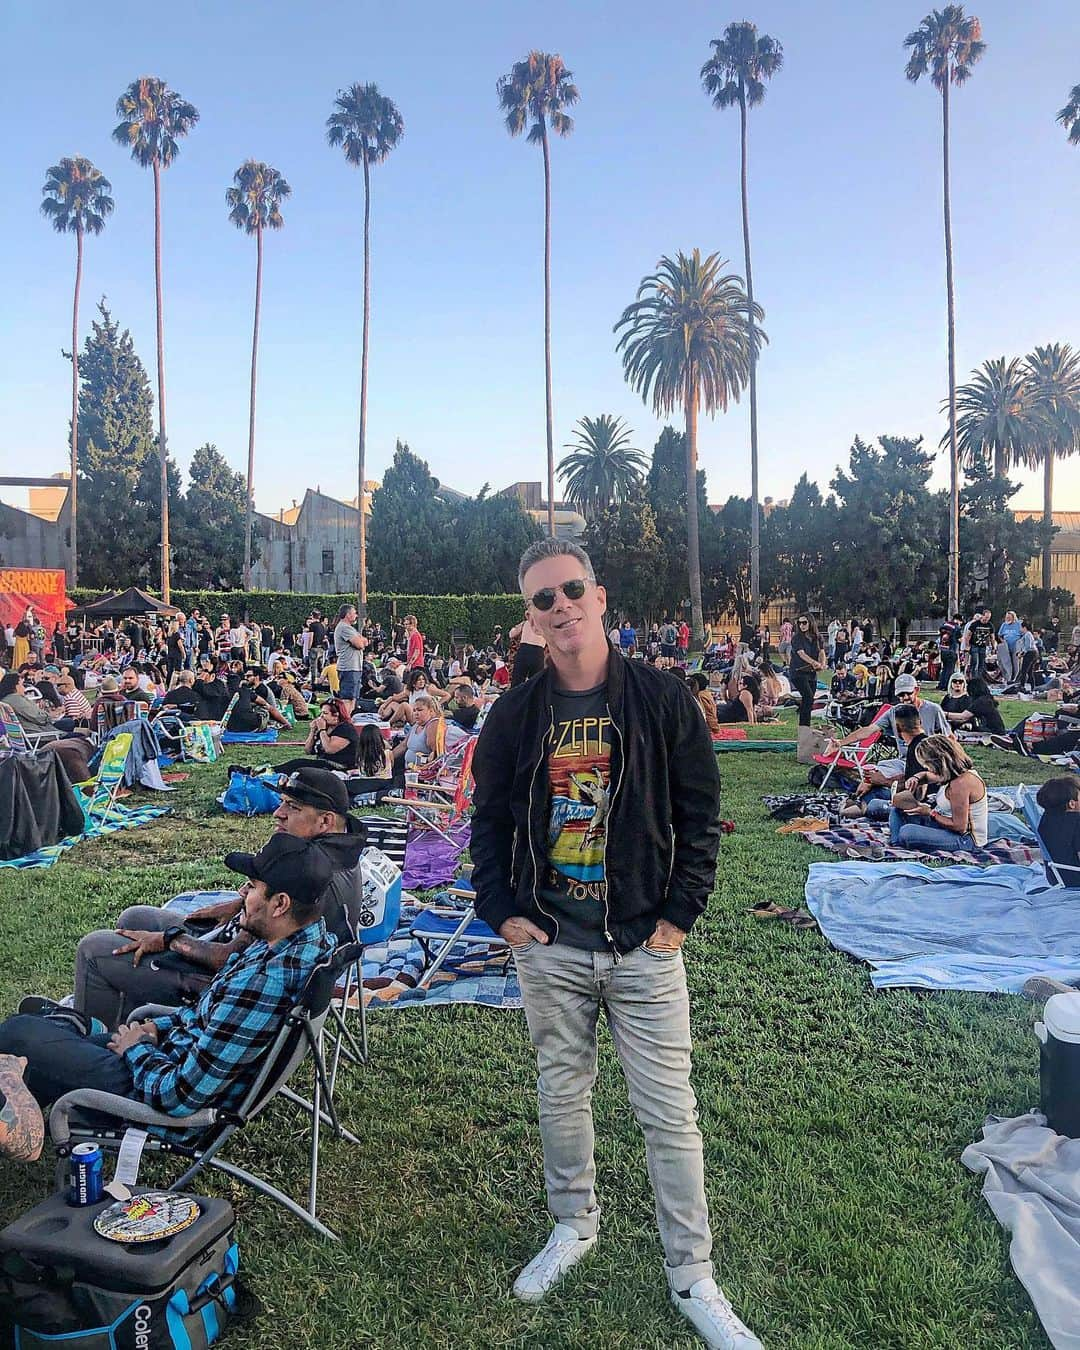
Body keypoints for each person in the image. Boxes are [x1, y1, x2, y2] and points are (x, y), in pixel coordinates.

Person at [470, 539, 746, 1350]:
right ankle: (573, 1225)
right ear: (532, 615)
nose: (561, 608)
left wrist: (679, 917)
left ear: (600, 595)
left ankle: (693, 1275)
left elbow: (700, 817)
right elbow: (486, 819)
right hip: (548, 941)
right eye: (543, 599)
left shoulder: (660, 700)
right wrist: (500, 909)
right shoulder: (517, 712)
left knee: (670, 1115)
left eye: (572, 590)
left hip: (642, 943)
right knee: (563, 1093)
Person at [0, 833, 338, 1152]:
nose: (242, 894)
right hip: (165, 1054)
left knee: (19, 1033)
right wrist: (155, 1028)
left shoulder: (266, 982)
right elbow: (210, 1013)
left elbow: (179, 1098)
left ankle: (60, 1041)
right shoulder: (302, 942)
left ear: (280, 904)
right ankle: (28, 1095)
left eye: (251, 888)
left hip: (155, 1098)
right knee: (35, 1049)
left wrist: (136, 1049)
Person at [69, 769, 367, 1027]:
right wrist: (236, 906)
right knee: (135, 918)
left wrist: (169, 940)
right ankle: (126, 1018)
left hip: (231, 987)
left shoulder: (312, 875)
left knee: (94, 950)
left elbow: (228, 959)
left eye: (292, 806)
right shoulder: (339, 853)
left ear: (325, 821)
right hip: (251, 959)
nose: (278, 813)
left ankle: (92, 1039)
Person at [888, 735, 988, 852]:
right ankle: (897, 845)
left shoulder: (960, 784)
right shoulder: (950, 772)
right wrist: (916, 778)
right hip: (943, 825)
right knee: (897, 810)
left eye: (926, 764)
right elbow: (925, 775)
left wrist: (930, 813)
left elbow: (960, 827)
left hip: (966, 840)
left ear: (937, 762)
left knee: (907, 831)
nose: (926, 767)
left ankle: (899, 843)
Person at [841, 703, 926, 821]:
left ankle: (862, 808)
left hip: (922, 806)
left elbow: (917, 794)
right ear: (920, 721)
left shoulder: (918, 750)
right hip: (923, 799)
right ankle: (860, 804)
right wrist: (873, 782)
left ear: (897, 727)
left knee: (875, 804)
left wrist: (884, 781)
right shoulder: (922, 743)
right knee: (875, 791)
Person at [831, 673, 950, 749]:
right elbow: (868, 730)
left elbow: (949, 737)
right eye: (901, 695)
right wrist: (840, 742)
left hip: (928, 760)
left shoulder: (933, 709)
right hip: (904, 761)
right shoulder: (893, 712)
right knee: (871, 777)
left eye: (908, 693)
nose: (905, 698)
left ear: (917, 690)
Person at [277, 698, 361, 773]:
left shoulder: (345, 729)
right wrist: (313, 731)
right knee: (297, 764)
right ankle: (271, 771)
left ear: (336, 715)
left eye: (325, 713)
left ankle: (273, 772)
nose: (321, 717)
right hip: (322, 763)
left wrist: (322, 730)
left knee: (299, 765)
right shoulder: (326, 728)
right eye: (321, 713)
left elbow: (329, 749)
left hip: (339, 767)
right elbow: (308, 751)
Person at [1034, 776, 1080, 888]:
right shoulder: (1077, 822)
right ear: (1072, 804)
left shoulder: (1046, 818)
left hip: (1055, 876)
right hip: (1075, 878)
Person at [790, 614, 825, 728]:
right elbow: (801, 653)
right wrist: (814, 663)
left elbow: (821, 652)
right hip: (798, 672)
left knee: (809, 700)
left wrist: (822, 663)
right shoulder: (796, 638)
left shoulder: (817, 637)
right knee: (808, 696)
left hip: (811, 673)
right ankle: (804, 727)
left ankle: (806, 726)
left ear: (810, 623)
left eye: (804, 623)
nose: (802, 625)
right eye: (799, 623)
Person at [687, 671, 721, 737]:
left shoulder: (701, 696)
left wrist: (715, 730)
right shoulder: (706, 693)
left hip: (707, 730)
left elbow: (708, 714)